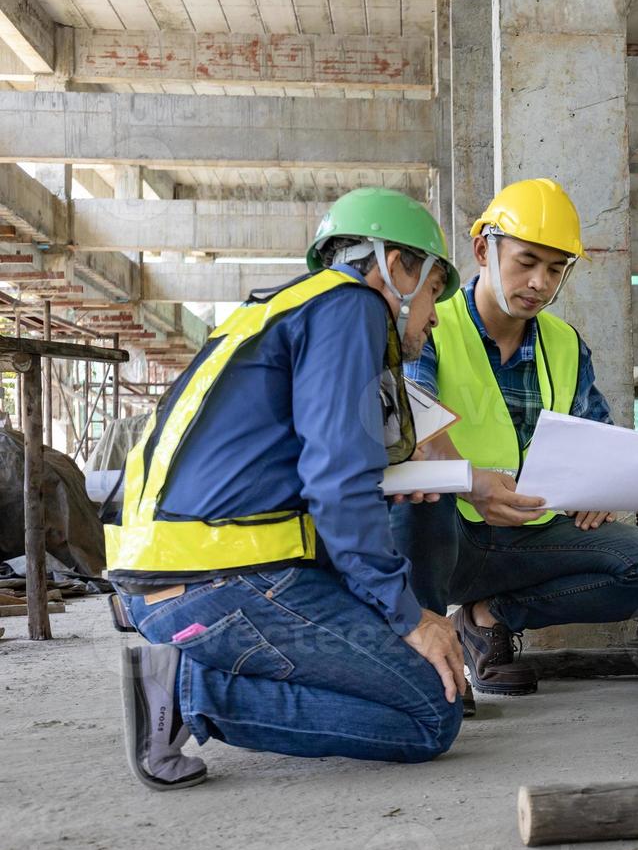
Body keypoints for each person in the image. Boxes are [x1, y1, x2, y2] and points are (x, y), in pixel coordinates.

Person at [107, 188, 467, 791]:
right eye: (434, 291)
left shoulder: (280, 310)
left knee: (420, 673)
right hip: (227, 583)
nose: (433, 316)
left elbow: (299, 473)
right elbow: (337, 482)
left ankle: (190, 669)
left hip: (175, 583)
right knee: (431, 711)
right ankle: (188, 687)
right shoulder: (353, 306)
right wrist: (407, 615)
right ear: (397, 266)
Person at [390, 178, 638, 696]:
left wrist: (597, 489)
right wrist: (470, 481)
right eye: (526, 262)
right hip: (445, 536)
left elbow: (596, 438)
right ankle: (423, 658)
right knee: (422, 491)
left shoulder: (566, 345)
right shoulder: (430, 322)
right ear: (483, 249)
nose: (540, 282)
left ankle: (487, 620)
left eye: (555, 269)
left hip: (528, 536)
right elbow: (415, 427)